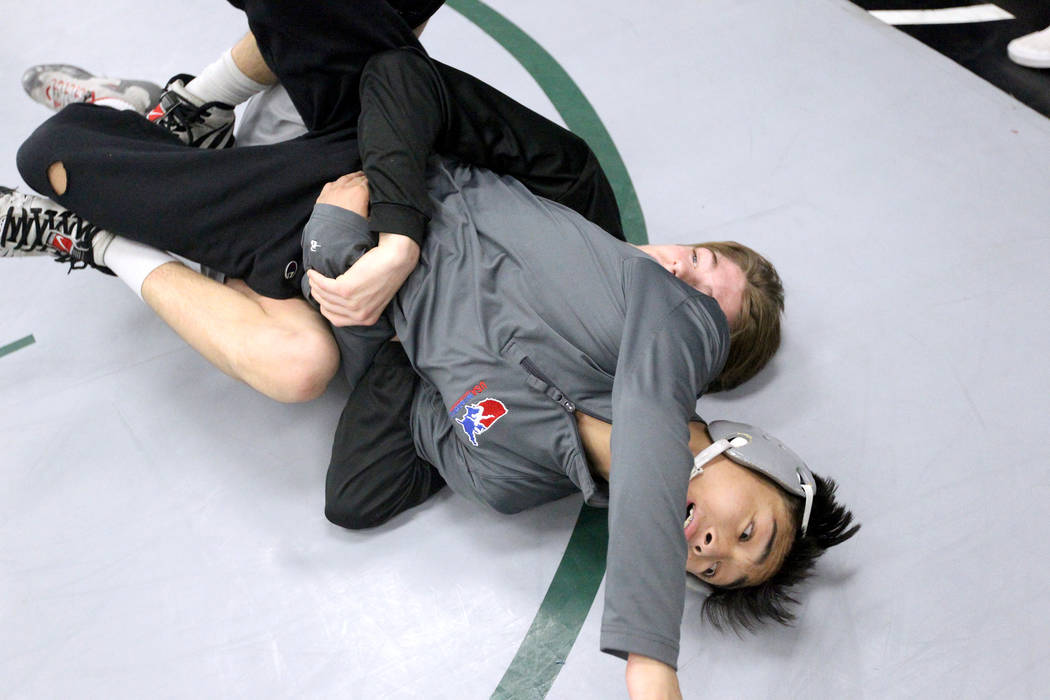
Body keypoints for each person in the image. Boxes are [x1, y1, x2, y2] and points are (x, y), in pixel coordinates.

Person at [3, 7, 857, 698]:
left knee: (52, 159)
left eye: (716, 570)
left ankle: (106, 228)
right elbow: (645, 415)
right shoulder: (672, 325)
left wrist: (348, 260)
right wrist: (649, 664)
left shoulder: (515, 478)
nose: (713, 552)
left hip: (305, 228)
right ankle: (193, 109)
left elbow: (361, 484)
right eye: (753, 530)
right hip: (389, 158)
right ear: (758, 453)